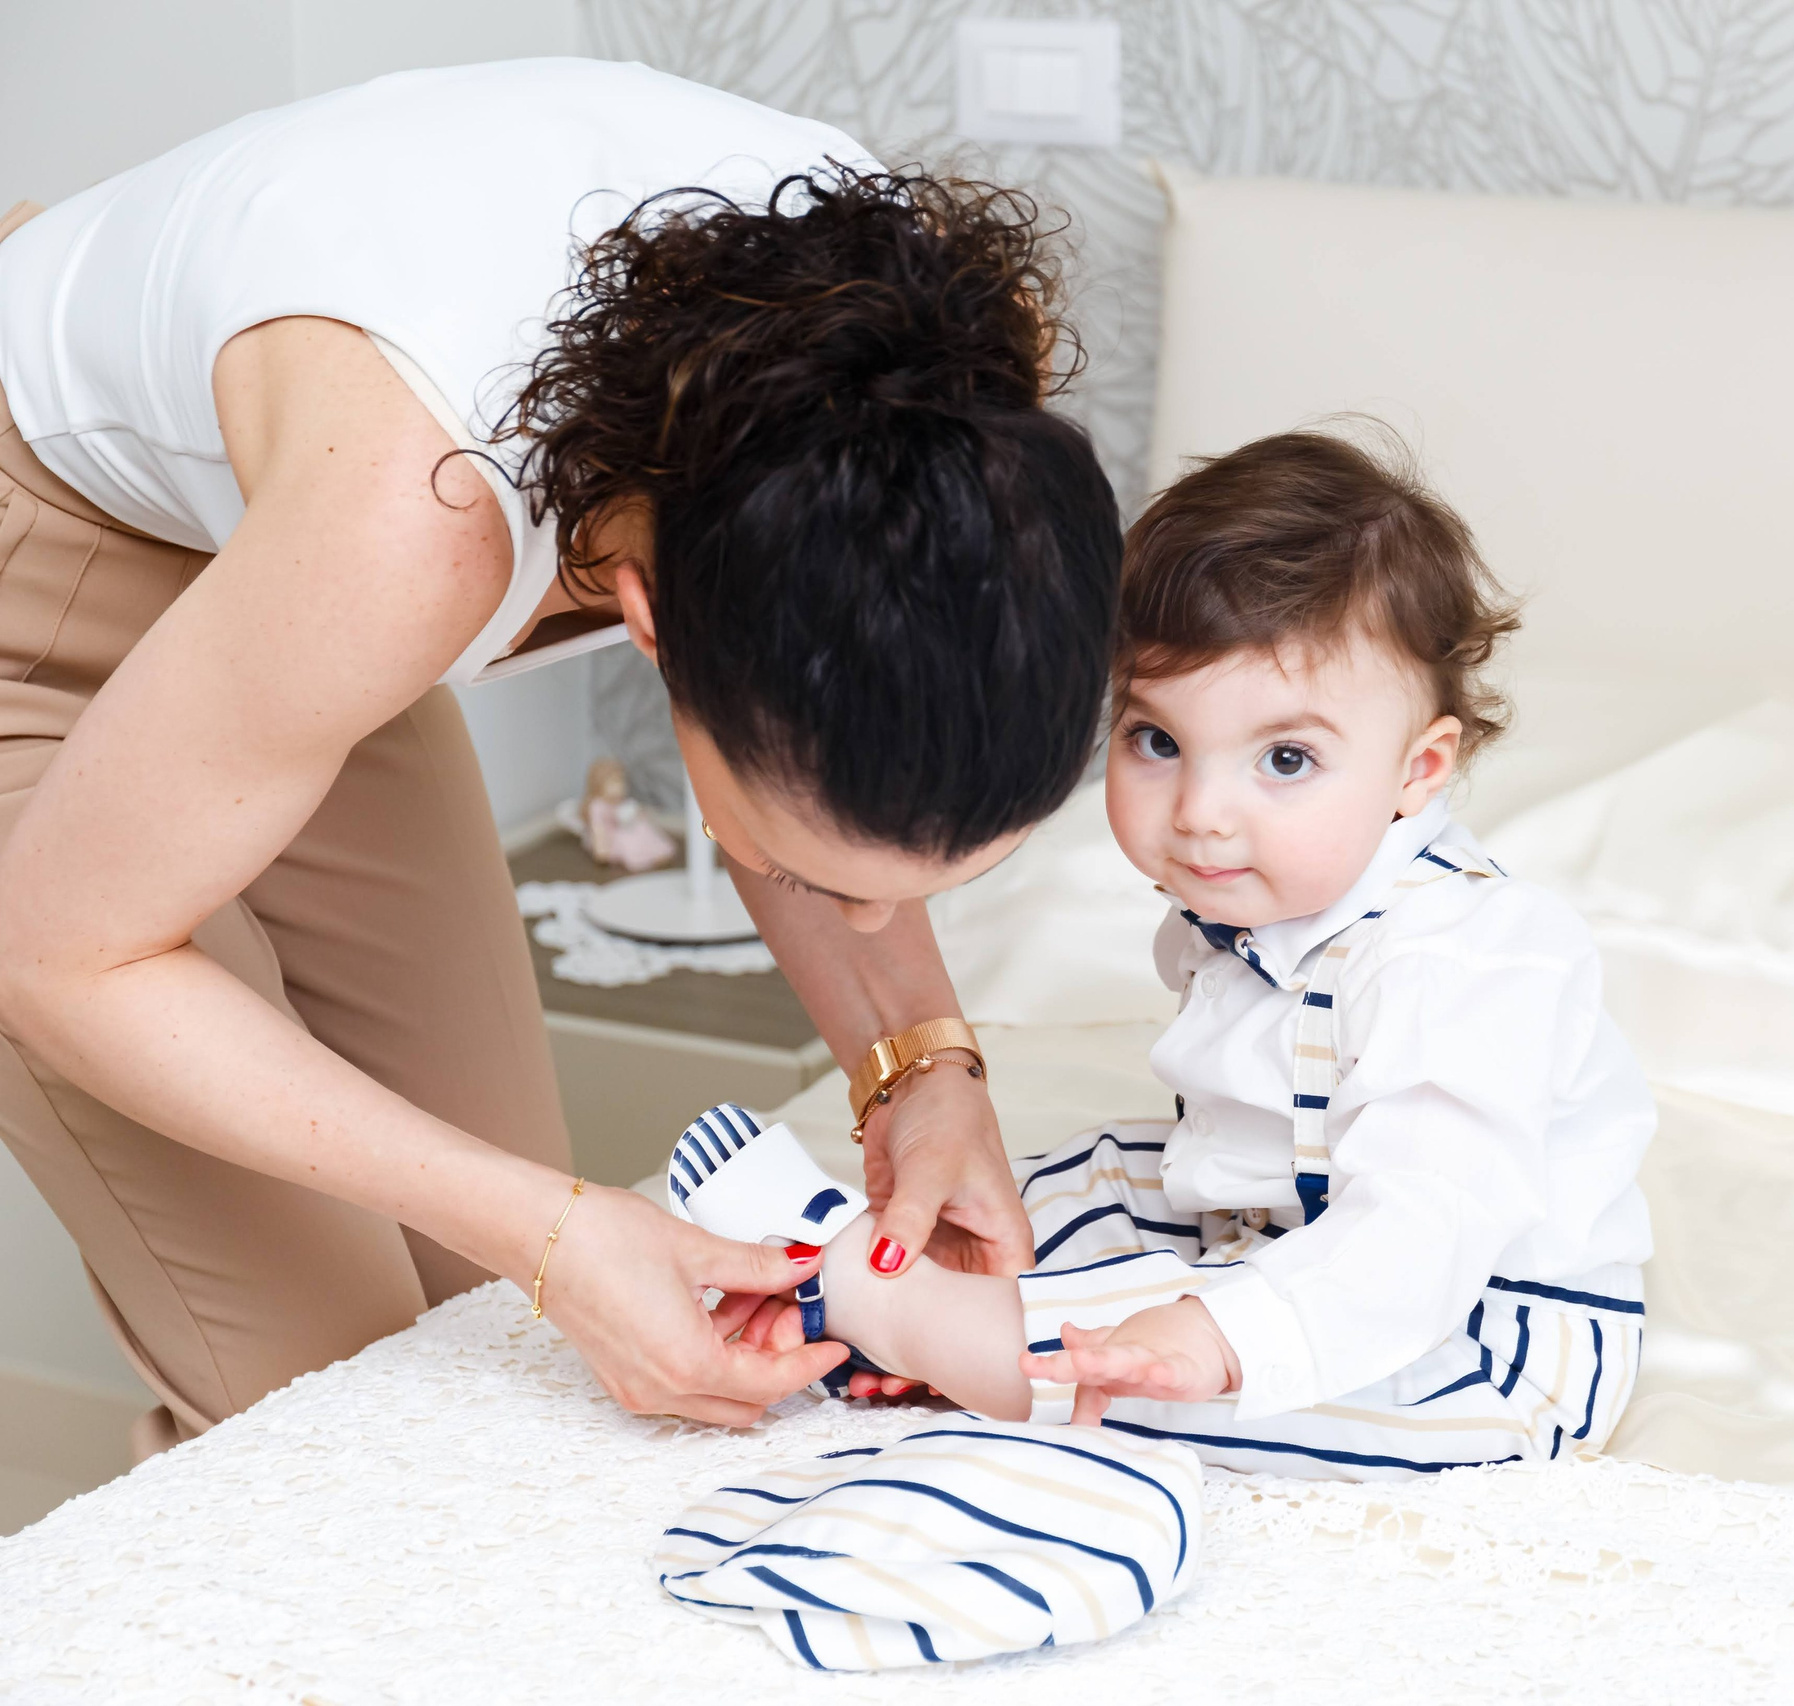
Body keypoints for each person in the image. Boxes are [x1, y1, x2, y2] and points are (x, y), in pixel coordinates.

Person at [0, 59, 1113, 1447]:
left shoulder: (931, 398)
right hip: (38, 568)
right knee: (337, 1408)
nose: (872, 921)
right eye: (791, 853)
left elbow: (804, 739)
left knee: (488, 1321)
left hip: (281, 566)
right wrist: (551, 1226)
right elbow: (58, 954)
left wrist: (923, 1070)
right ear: (645, 620)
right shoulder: (420, 524)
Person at [669, 430, 1656, 1478]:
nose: (1200, 814)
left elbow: (1423, 1231)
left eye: (1285, 758)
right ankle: (886, 1264)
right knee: (1077, 1185)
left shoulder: (1472, 960)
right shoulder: (1240, 902)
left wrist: (1221, 1337)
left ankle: (896, 1311)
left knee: (1151, 1378)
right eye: (1156, 740)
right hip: (1262, 1219)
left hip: (1473, 1321)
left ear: (1418, 770)